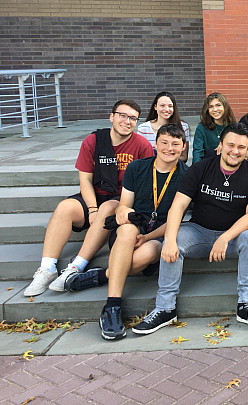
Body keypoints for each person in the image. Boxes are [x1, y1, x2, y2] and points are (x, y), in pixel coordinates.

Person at [133, 123, 248, 335]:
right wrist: (168, 241)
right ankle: (165, 308)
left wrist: (225, 237)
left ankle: (247, 304)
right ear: (221, 145)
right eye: (231, 145)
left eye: (241, 147)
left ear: (247, 148)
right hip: (199, 231)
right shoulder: (201, 168)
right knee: (176, 239)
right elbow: (178, 206)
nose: (235, 151)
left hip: (233, 236)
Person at [63, 124, 188, 340]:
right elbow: (124, 204)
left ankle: (103, 275)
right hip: (131, 229)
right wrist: (122, 211)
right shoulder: (137, 168)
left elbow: (177, 217)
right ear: (155, 145)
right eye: (164, 143)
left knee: (150, 251)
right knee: (129, 230)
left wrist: (147, 236)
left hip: (157, 235)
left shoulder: (187, 175)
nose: (170, 148)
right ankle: (112, 306)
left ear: (183, 147)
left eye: (176, 144)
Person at [24, 100, 154, 297]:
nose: (127, 121)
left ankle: (76, 267)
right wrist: (92, 209)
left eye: (133, 118)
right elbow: (85, 179)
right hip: (95, 195)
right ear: (112, 117)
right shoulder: (93, 141)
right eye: (123, 116)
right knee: (65, 207)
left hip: (121, 200)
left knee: (110, 207)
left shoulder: (142, 145)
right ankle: (47, 268)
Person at [137, 92, 190, 162]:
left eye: (170, 106)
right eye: (162, 105)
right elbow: (141, 157)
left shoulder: (183, 127)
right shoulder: (143, 128)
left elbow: (184, 157)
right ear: (155, 107)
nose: (166, 109)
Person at [192, 92, 236, 164]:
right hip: (208, 165)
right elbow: (197, 153)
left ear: (225, 107)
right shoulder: (201, 128)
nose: (215, 109)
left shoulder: (233, 127)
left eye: (218, 105)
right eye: (211, 107)